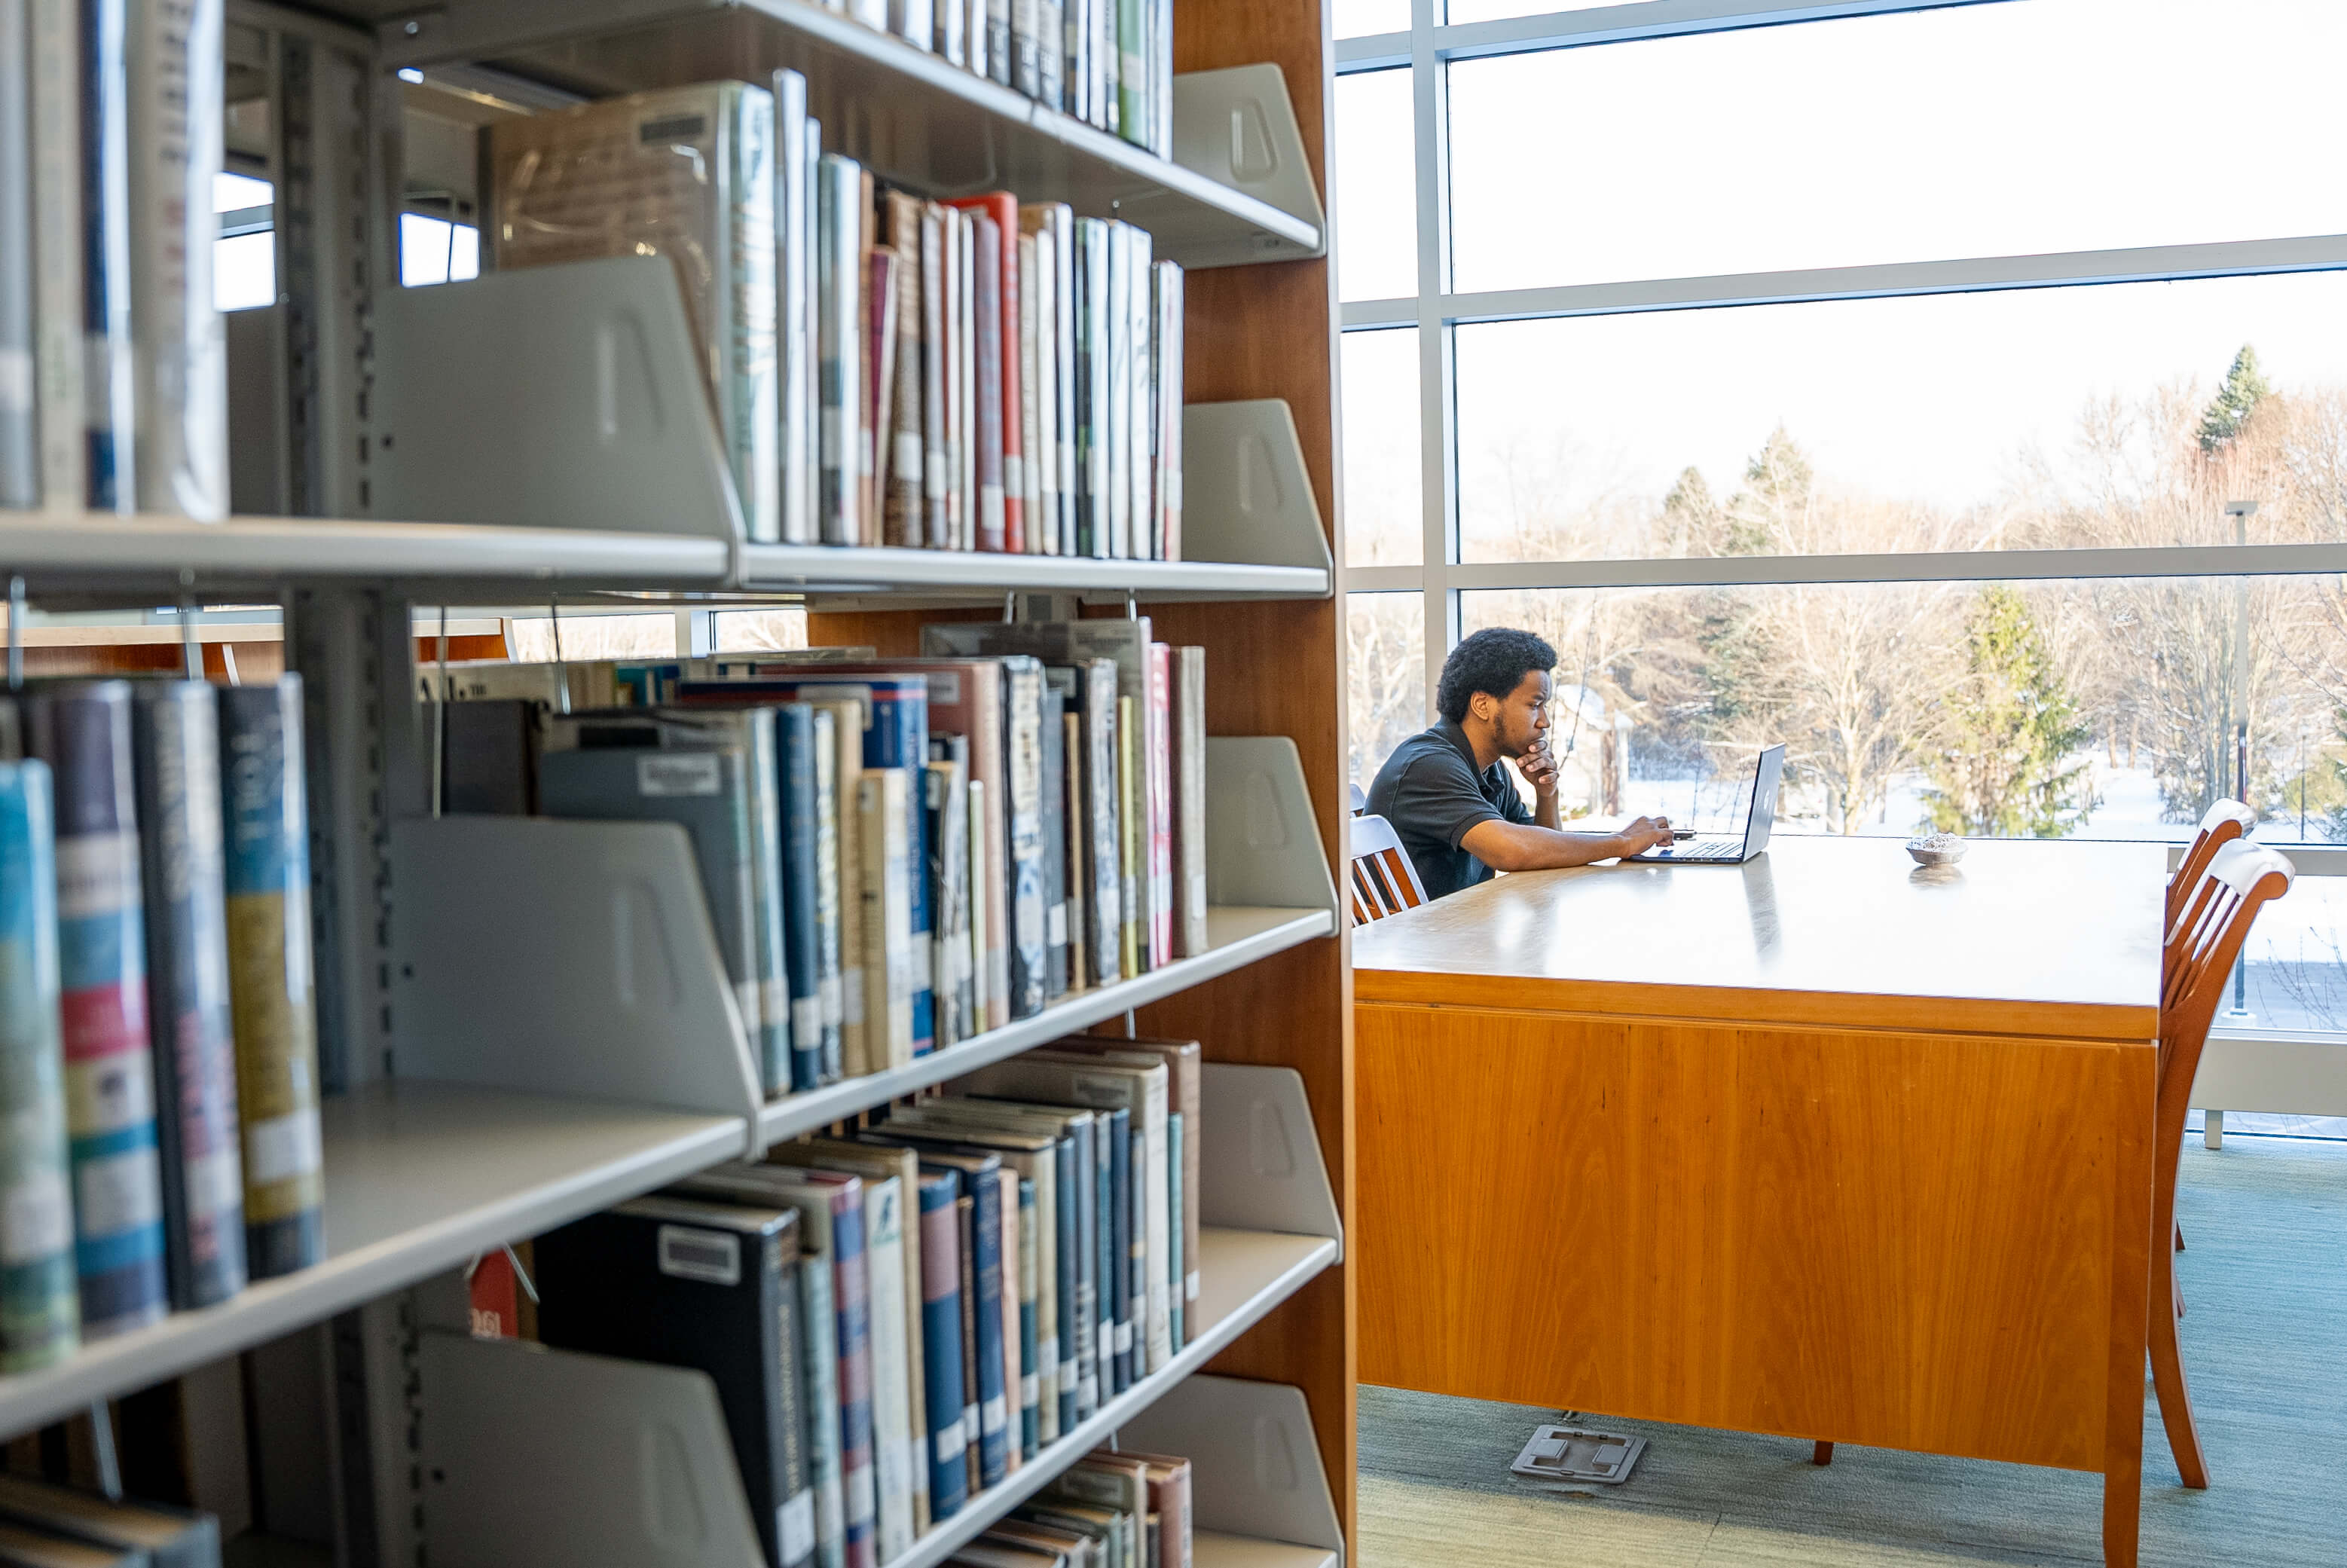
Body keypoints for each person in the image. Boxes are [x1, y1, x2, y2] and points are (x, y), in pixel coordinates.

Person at [1365, 628, 1673, 901]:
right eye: (1534, 705)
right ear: (1482, 705)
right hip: (1413, 948)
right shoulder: (1429, 766)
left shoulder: (1488, 767)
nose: (1545, 721)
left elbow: (1542, 855)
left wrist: (1546, 794)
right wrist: (1621, 843)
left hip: (1454, 933)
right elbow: (1511, 851)